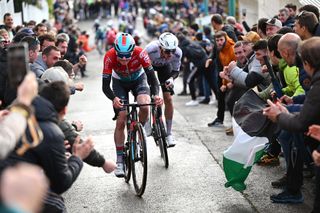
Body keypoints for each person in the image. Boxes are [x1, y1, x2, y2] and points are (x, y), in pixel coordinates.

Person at [263, 37, 320, 204]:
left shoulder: (309, 73)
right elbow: (311, 100)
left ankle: (295, 184)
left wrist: (279, 115)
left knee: (291, 134)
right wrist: (294, 101)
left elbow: (301, 122)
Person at [102, 33, 162, 177]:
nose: (123, 59)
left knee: (145, 105)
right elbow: (105, 86)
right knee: (121, 119)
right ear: (115, 51)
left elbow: (153, 80)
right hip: (119, 82)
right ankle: (120, 160)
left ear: (132, 50)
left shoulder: (140, 53)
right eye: (120, 55)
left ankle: (138, 129)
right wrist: (113, 98)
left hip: (138, 79)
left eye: (127, 55)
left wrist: (156, 95)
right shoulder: (109, 56)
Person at [144, 32, 182, 147]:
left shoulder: (178, 53)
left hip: (164, 68)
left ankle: (169, 133)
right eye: (167, 51)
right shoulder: (150, 50)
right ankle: (146, 124)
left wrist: (171, 79)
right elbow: (144, 70)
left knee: (168, 98)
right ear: (160, 48)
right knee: (146, 96)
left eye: (173, 51)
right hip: (148, 67)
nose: (170, 54)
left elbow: (176, 71)